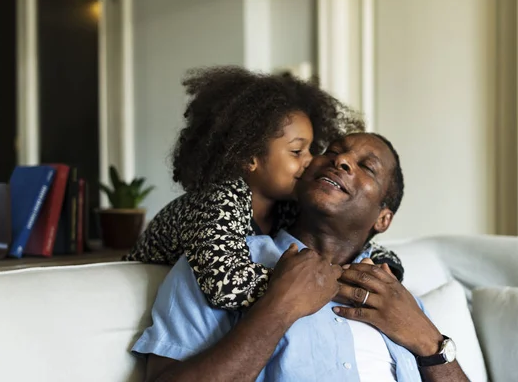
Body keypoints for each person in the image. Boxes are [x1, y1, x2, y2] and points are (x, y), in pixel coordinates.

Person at [133, 132, 469, 382]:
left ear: (383, 219)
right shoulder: (219, 265)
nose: (341, 160)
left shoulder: (394, 292)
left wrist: (429, 340)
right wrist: (278, 308)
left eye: (367, 166)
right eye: (332, 152)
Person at [124, 67, 405, 312]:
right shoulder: (219, 200)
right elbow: (226, 285)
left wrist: (385, 269)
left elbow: (369, 247)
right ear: (250, 158)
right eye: (297, 151)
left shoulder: (285, 208)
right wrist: (332, 282)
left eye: (311, 149)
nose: (311, 162)